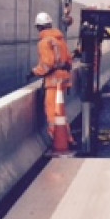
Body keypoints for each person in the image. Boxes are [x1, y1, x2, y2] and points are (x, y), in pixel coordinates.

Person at [27, 11, 74, 143]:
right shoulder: (60, 39)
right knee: (61, 111)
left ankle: (58, 138)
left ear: (39, 27)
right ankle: (68, 137)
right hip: (63, 78)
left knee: (52, 111)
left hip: (53, 80)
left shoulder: (44, 42)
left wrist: (34, 72)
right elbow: (69, 59)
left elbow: (47, 64)